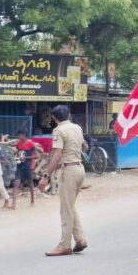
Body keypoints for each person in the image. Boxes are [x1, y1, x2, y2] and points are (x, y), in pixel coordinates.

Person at [38, 106, 88, 256]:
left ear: (54, 118)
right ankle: (80, 239)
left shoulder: (58, 131)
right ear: (69, 115)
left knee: (65, 209)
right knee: (70, 205)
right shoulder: (77, 128)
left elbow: (57, 155)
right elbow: (85, 147)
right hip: (80, 169)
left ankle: (64, 245)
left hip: (68, 171)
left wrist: (45, 176)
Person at [12, 129, 39, 209]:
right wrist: (16, 156)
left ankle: (32, 200)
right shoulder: (18, 144)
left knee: (30, 183)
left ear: (24, 135)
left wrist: (25, 157)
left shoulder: (31, 144)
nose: (19, 137)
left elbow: (36, 156)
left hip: (28, 166)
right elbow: (18, 153)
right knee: (16, 184)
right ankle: (14, 203)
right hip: (20, 166)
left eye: (20, 135)